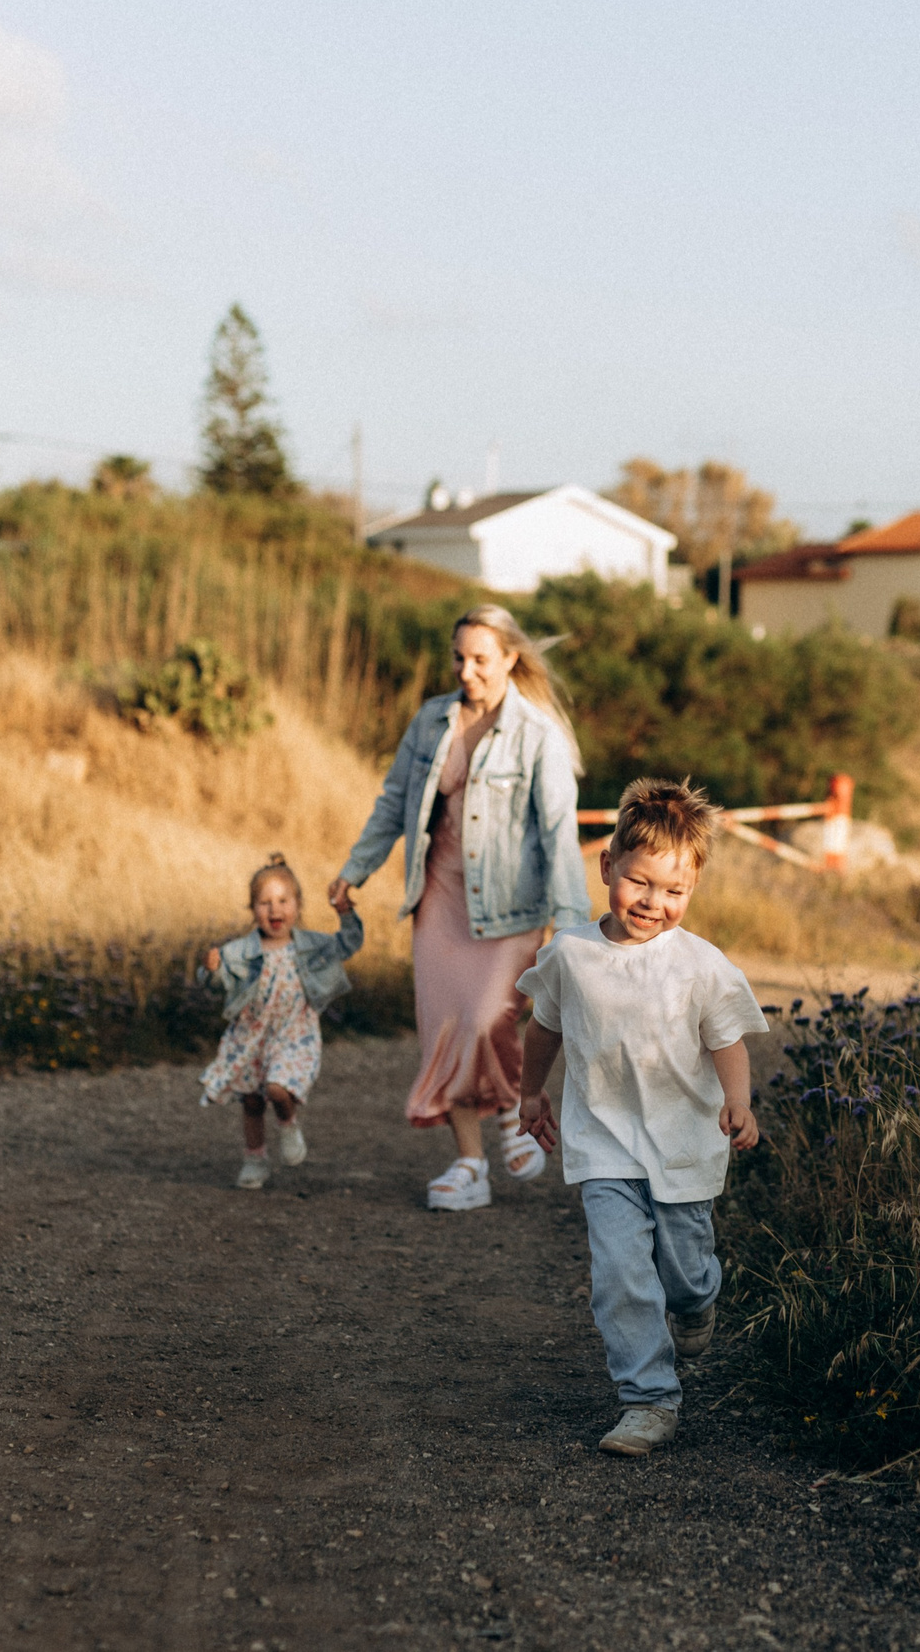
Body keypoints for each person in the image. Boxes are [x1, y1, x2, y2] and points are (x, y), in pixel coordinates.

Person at [515, 777, 768, 1456]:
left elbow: (727, 1041)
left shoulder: (700, 966)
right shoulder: (571, 954)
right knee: (621, 1271)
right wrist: (531, 1091)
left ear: (693, 890)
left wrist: (737, 1101)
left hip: (685, 1141)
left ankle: (697, 1303)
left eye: (674, 891)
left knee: (683, 1271)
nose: (654, 903)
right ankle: (648, 1399)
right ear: (607, 868)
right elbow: (543, 1027)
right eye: (640, 882)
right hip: (604, 1143)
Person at [329, 605, 588, 1212]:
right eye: (458, 657)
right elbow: (394, 801)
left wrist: (573, 926)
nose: (466, 670)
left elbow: (557, 831)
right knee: (446, 1031)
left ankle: (508, 1111)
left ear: (509, 659)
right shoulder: (431, 721)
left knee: (486, 1021)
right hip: (438, 899)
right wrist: (354, 869)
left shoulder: (537, 734)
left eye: (480, 659)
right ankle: (469, 1164)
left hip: (510, 907)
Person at [197, 855, 365, 1191]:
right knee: (252, 1101)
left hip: (294, 1034)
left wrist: (346, 914)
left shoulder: (312, 947)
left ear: (298, 905)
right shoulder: (240, 952)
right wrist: (212, 969)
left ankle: (288, 1123)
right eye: (265, 903)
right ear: (253, 909)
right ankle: (255, 1159)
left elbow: (349, 944)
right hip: (251, 1036)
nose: (275, 910)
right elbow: (217, 985)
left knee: (276, 1088)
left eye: (283, 901)